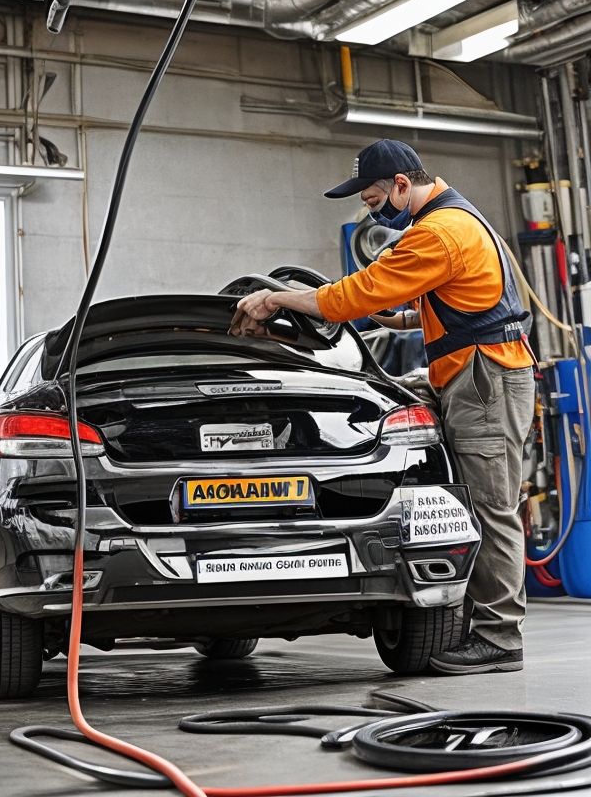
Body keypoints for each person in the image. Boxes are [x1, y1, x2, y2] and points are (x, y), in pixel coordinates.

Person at [230, 138, 536, 675]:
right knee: (384, 402)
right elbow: (452, 303)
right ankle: (477, 616)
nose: (373, 212)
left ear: (401, 185)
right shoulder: (453, 220)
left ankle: (500, 638)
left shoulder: (439, 233)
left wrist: (278, 298)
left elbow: (355, 294)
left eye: (373, 201)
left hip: (484, 380)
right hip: (470, 372)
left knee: (491, 506)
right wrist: (390, 321)